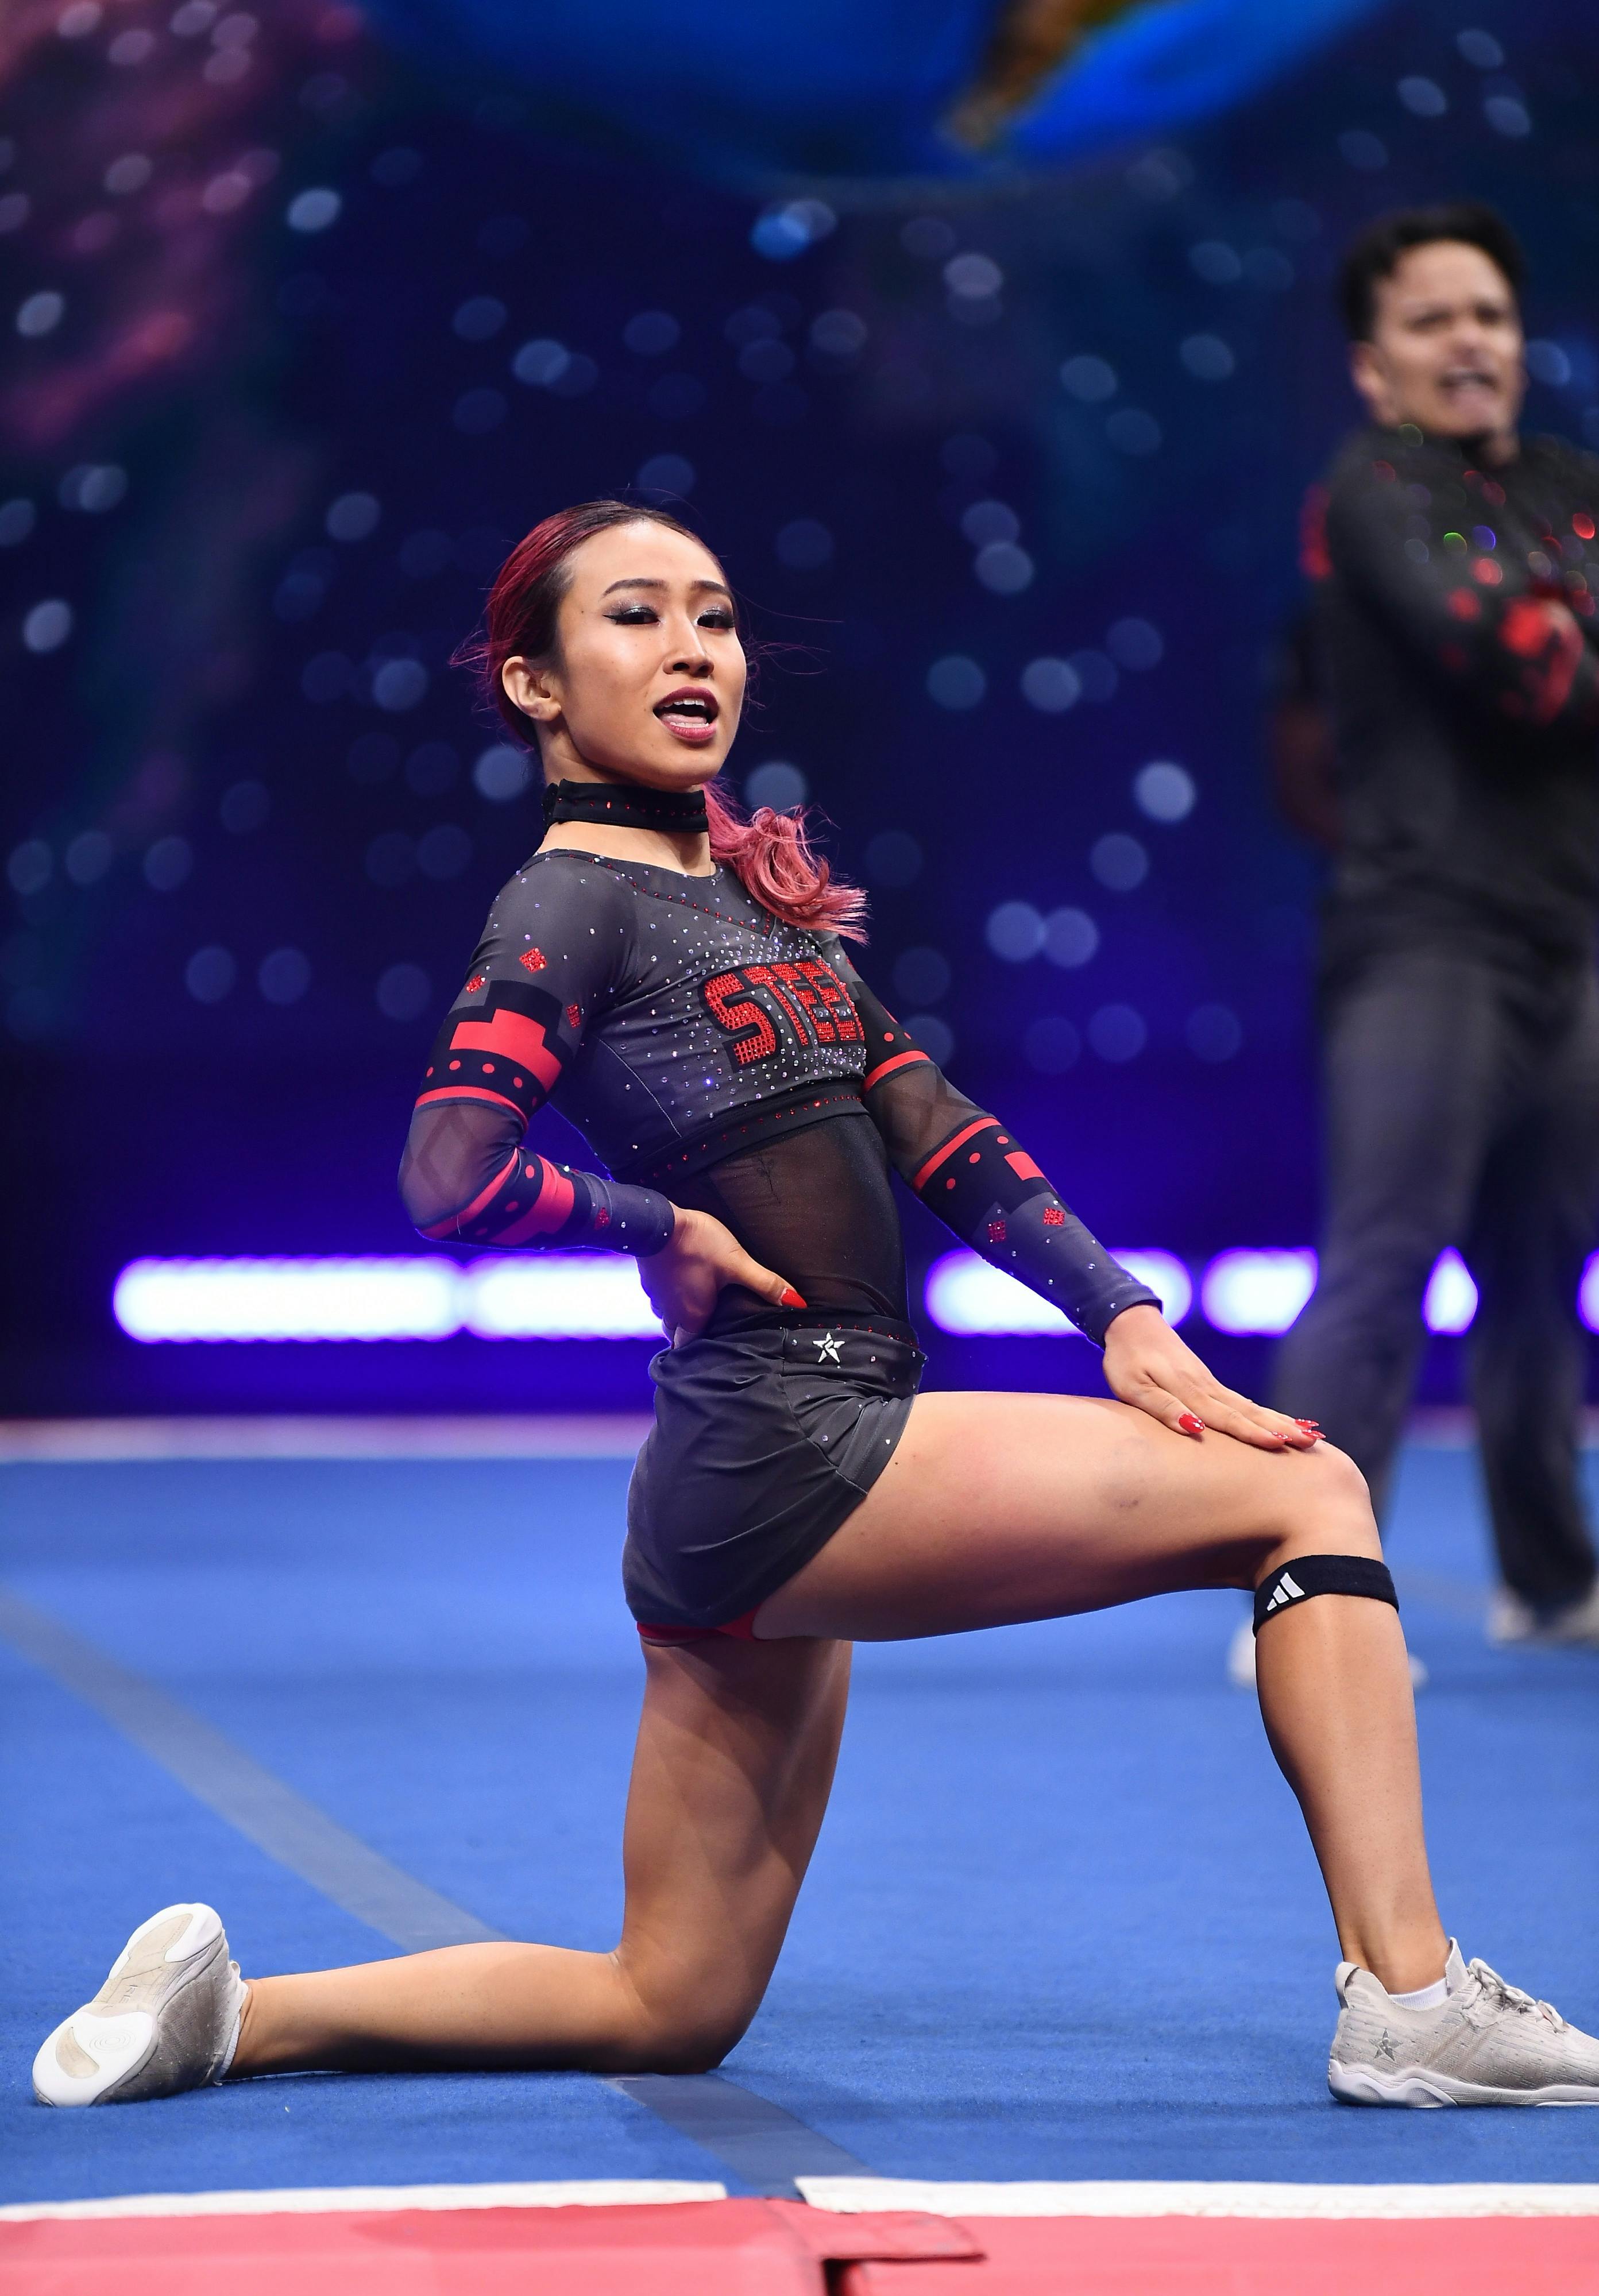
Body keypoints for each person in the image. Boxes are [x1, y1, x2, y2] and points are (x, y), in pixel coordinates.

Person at [34, 501, 1599, 2113]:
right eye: (636, 615)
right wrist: (657, 1226)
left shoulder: (743, 894)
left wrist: (1123, 1316)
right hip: (795, 1443)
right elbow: (451, 1170)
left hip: (749, 1483)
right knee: (1308, 1490)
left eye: (713, 616)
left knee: (667, 2001)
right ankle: (1412, 1996)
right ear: (534, 684)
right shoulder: (569, 902)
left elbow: (941, 1131)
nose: (692, 648)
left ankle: (232, 2017)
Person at [1269, 202, 1599, 1654]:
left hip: (1572, 935)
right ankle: (1304, 1590)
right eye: (1432, 321)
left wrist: (1559, 617)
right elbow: (1509, 659)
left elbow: (1545, 642)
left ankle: (1555, 1579)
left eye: (1490, 315)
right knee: (1383, 1263)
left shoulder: (1571, 486)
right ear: (1373, 365)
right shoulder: (1376, 487)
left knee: (1546, 1273)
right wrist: (1557, 621)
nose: (1470, 340)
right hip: (1424, 935)